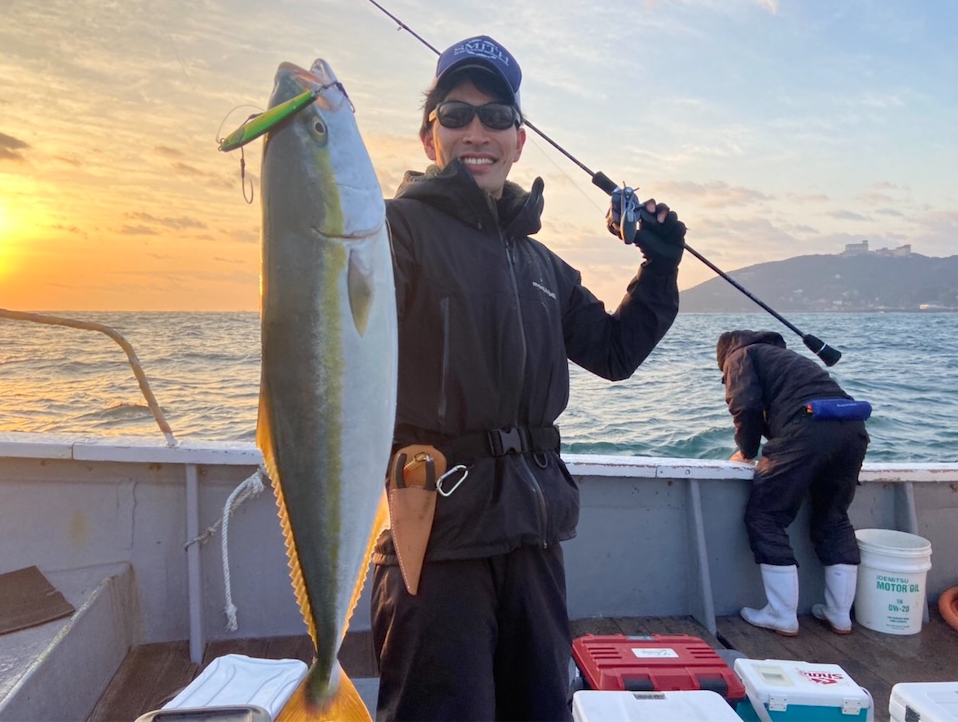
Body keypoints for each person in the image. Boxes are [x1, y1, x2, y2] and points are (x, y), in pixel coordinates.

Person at [369, 35, 686, 722]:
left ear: (519, 140)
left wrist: (658, 270)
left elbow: (613, 351)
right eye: (455, 114)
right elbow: (340, 313)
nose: (475, 131)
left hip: (534, 537)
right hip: (438, 538)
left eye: (495, 117)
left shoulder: (542, 266)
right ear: (430, 139)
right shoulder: (391, 232)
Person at [716, 329, 870, 637]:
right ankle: (839, 615)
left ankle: (781, 614)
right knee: (834, 518)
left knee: (766, 515)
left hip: (807, 426)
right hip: (852, 429)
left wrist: (746, 452)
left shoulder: (739, 355)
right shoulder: (787, 358)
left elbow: (744, 404)